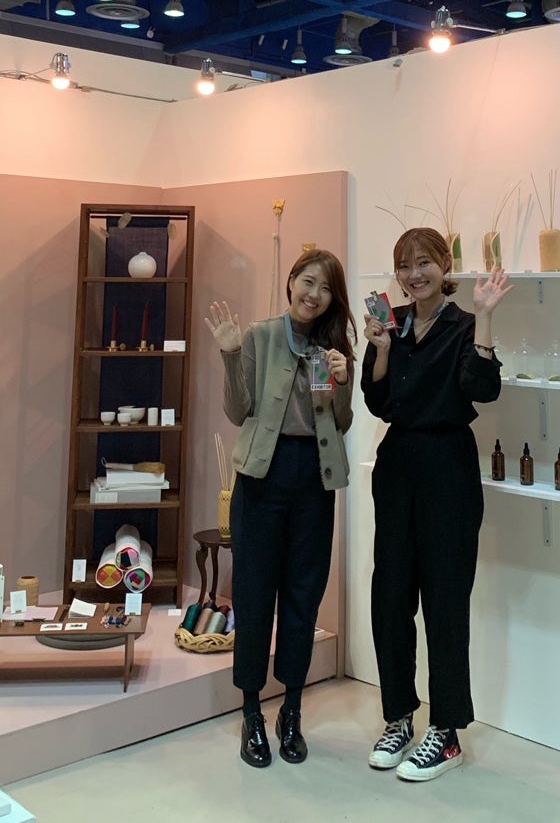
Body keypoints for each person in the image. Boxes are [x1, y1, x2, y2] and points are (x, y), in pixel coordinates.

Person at [360, 227, 510, 782]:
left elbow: (482, 388)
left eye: (423, 263)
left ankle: (446, 732)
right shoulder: (392, 322)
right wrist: (380, 350)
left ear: (444, 265)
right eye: (404, 265)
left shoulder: (464, 324)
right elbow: (377, 399)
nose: (414, 274)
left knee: (445, 600)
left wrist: (486, 318)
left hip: (448, 466)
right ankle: (399, 716)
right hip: (398, 464)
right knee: (390, 597)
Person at [205, 249, 355, 769]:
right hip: (261, 478)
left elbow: (341, 421)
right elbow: (237, 410)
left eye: (326, 288)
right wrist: (230, 354)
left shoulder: (332, 349)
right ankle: (251, 712)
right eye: (308, 282)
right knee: (253, 594)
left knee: (302, 594)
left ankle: (291, 710)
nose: (315, 294)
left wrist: (343, 380)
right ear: (291, 282)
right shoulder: (261, 336)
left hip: (314, 477)